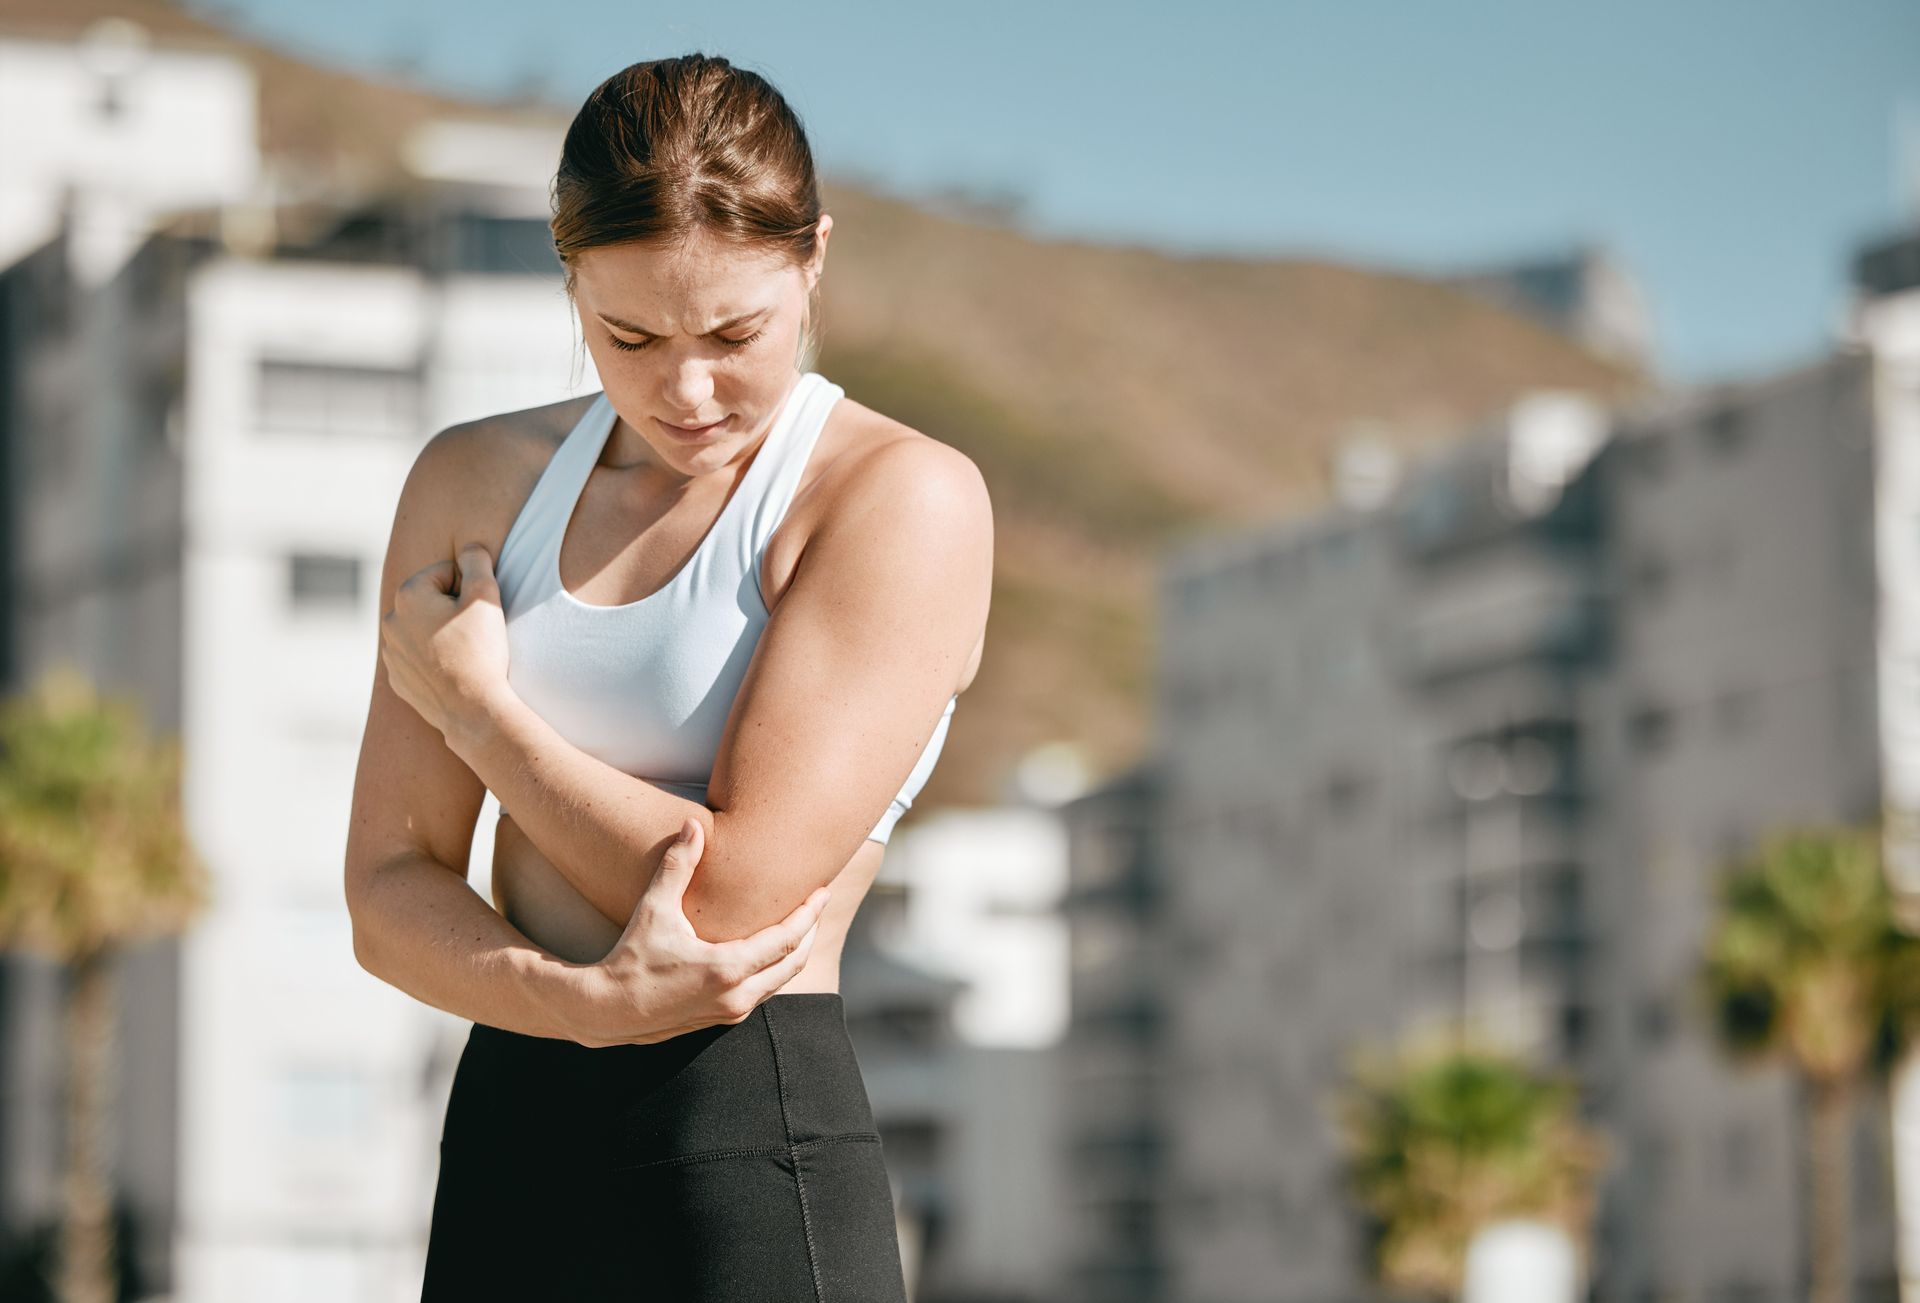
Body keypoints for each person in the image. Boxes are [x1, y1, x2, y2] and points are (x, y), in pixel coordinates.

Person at [343, 52, 993, 1301]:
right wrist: (575, 1003)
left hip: (747, 1142)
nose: (686, 390)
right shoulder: (471, 482)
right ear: (568, 276)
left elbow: (734, 895)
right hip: (509, 1135)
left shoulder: (896, 496)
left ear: (812, 262)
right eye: (627, 334)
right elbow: (385, 891)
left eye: (735, 333)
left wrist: (481, 714)